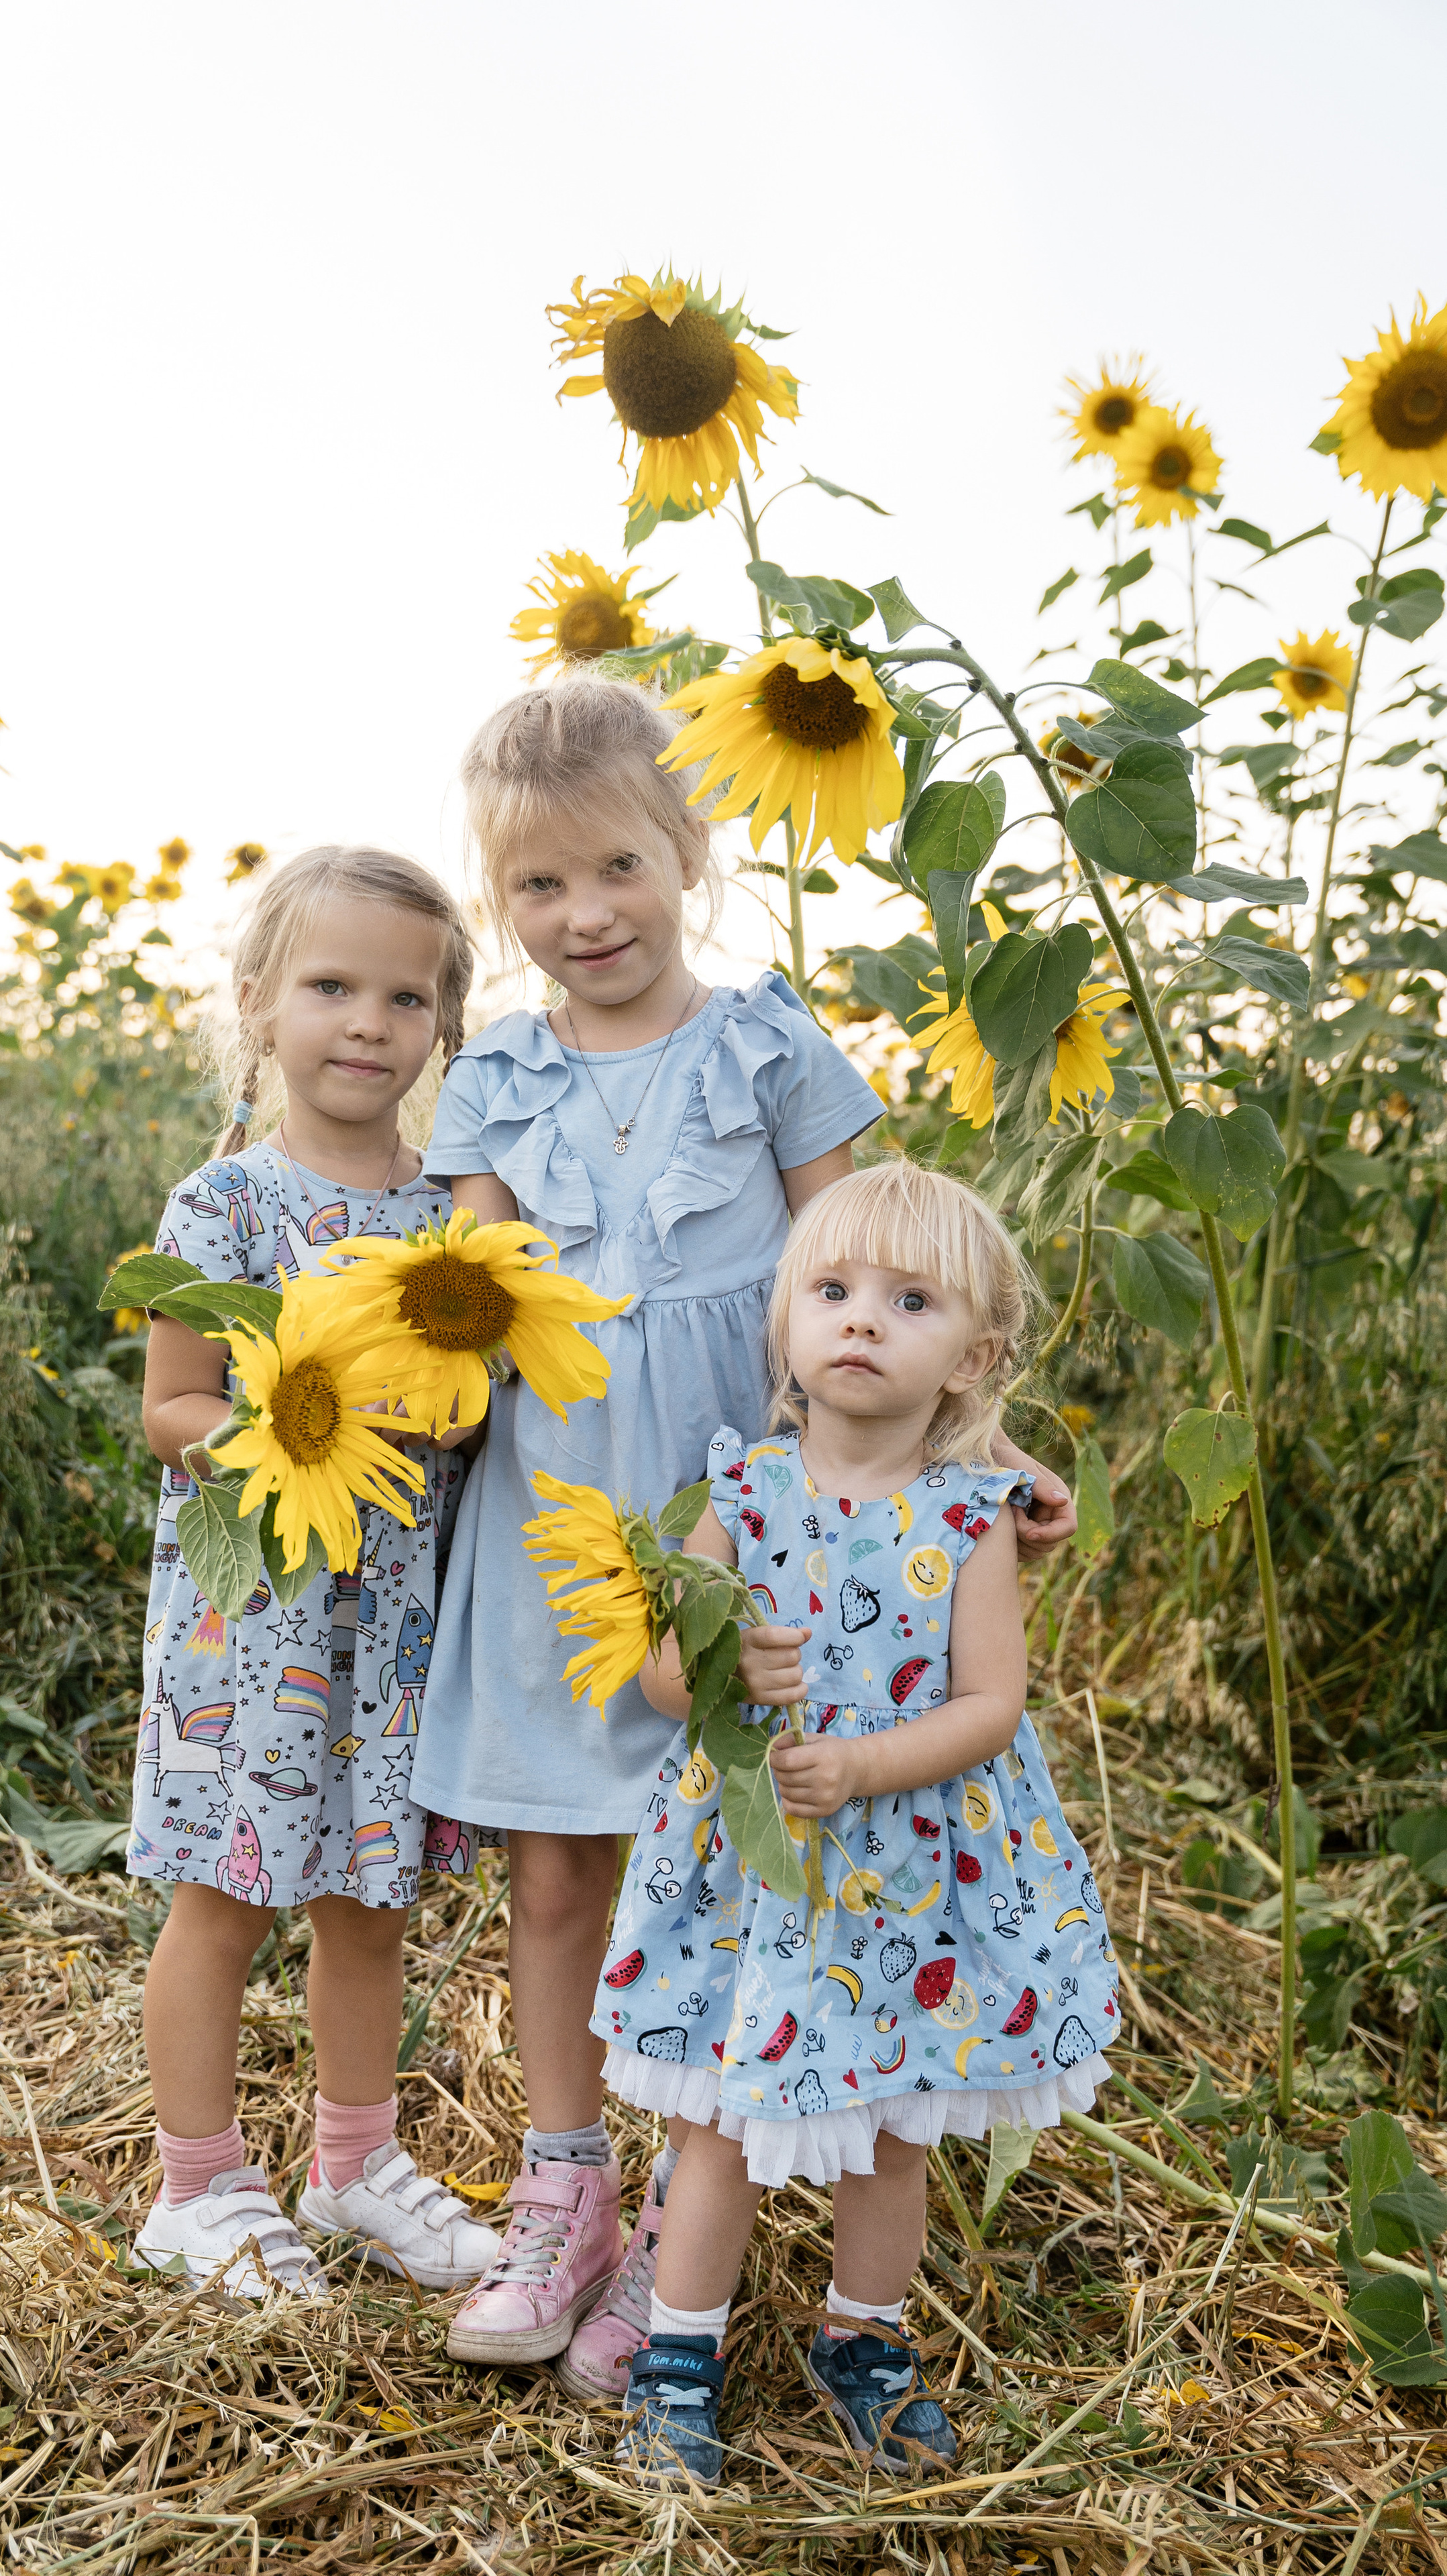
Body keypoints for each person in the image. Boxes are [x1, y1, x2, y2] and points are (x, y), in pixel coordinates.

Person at [411, 673, 1077, 2386]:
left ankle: (672, 2236)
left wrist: (986, 1474)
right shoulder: (492, 1077)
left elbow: (895, 1279)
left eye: (615, 869)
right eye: (538, 888)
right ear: (503, 904)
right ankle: (565, 2186)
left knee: (730, 1876)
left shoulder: (768, 1044)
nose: (582, 917)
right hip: (558, 1525)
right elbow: (462, 1305)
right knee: (555, 1865)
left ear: (686, 852)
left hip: (761, 1543)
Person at [596, 1159, 1121, 2487]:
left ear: (972, 1356)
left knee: (890, 2129)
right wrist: (716, 1670)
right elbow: (661, 1672)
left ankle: (864, 2341)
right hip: (754, 1874)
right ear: (784, 1319)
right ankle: (676, 2354)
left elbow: (992, 1703)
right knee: (711, 2125)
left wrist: (869, 1764)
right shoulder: (748, 1490)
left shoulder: (967, 1515)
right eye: (828, 1291)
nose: (859, 1321)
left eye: (907, 1300)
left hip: (902, 1881)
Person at [128, 846, 500, 2300]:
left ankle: (353, 2167)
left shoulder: (453, 1221)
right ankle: (197, 2186)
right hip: (251, 1625)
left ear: (441, 1032)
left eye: (403, 997)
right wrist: (292, 1434)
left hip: (394, 1626)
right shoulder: (219, 1208)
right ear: (257, 1007)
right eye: (330, 986)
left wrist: (441, 1410)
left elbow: (481, 1394)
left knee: (370, 1900)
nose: (365, 1022)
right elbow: (169, 1409)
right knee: (219, 1899)